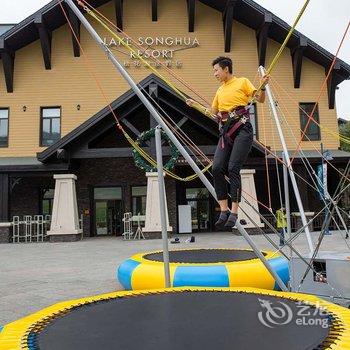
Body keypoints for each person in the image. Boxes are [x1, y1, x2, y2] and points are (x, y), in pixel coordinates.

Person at [186, 56, 269, 228]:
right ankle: (223, 210)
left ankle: (234, 211)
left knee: (232, 168)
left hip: (242, 130)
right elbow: (212, 112)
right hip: (226, 133)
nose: (214, 74)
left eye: (216, 70)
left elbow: (259, 99)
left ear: (226, 69)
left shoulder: (242, 82)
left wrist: (263, 86)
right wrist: (195, 105)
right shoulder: (219, 91)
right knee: (216, 168)